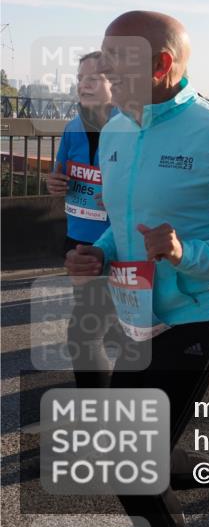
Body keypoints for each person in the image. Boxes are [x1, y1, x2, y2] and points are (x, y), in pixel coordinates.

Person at [65, 11, 209, 527]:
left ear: (162, 65)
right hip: (137, 312)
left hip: (199, 311)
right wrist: (99, 253)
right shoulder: (118, 130)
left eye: (114, 64)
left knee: (134, 468)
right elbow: (122, 222)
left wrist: (186, 253)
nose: (102, 75)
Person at [47, 51, 122, 389]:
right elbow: (58, 179)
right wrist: (54, 184)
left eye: (92, 79)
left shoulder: (133, 129)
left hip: (117, 245)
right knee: (95, 330)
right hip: (77, 240)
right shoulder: (72, 127)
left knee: (86, 332)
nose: (83, 86)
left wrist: (122, 196)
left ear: (115, 83)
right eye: (79, 80)